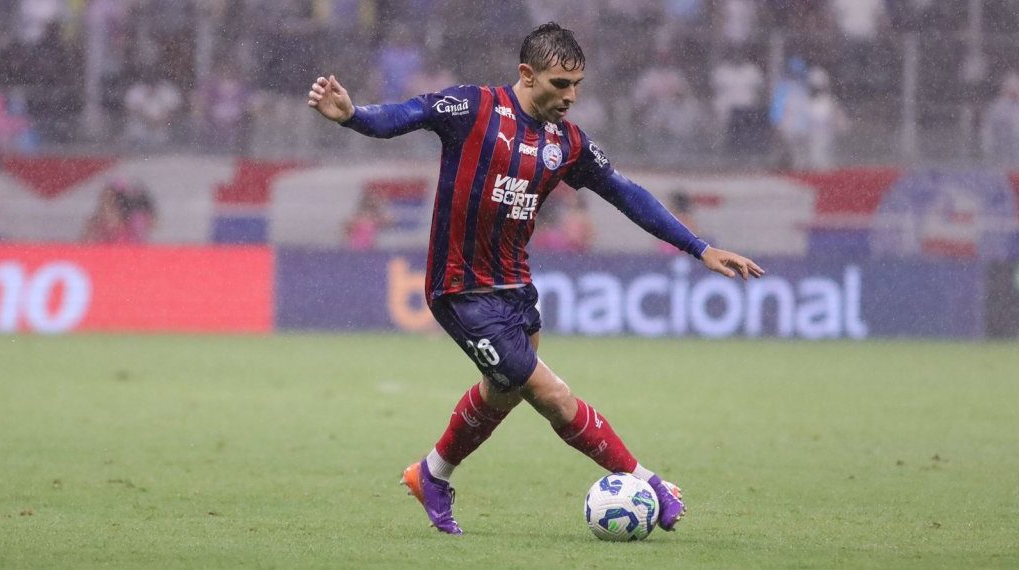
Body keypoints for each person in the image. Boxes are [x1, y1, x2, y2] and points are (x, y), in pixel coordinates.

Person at [308, 22, 764, 535]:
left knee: (503, 391)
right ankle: (650, 482)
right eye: (559, 84)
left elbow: (626, 194)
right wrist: (353, 115)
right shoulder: (473, 108)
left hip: (516, 287)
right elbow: (406, 114)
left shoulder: (567, 143)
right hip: (460, 289)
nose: (571, 96)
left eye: (577, 86)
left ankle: (431, 475)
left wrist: (699, 248)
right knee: (552, 395)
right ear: (527, 75)